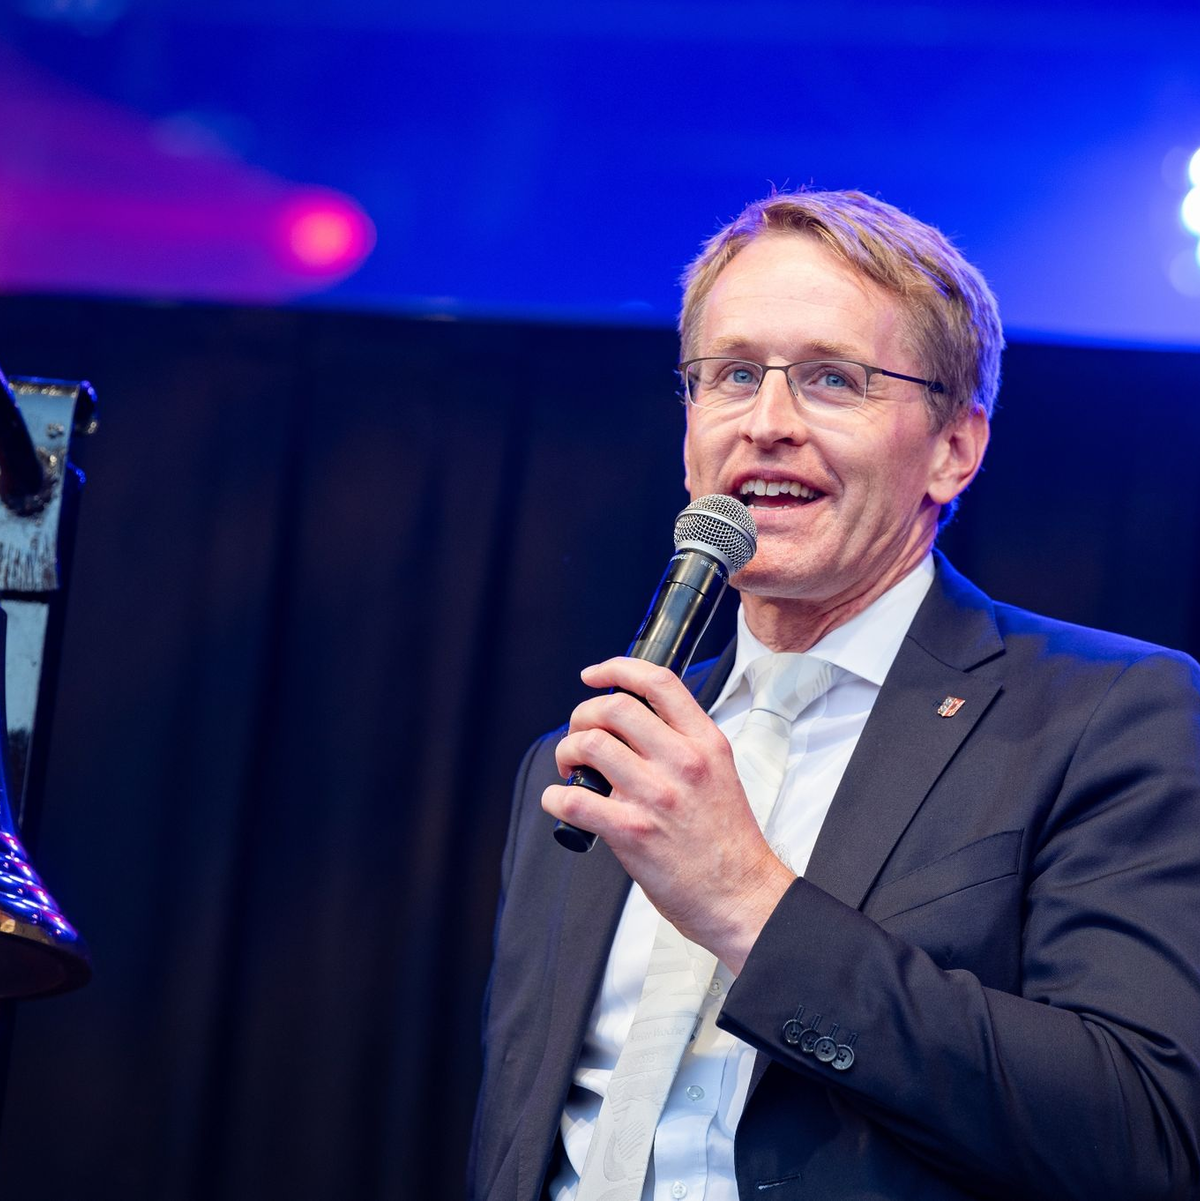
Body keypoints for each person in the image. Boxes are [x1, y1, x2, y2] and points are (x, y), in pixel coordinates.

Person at [469, 189, 1200, 1201]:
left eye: (830, 379)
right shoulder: (589, 763)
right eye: (730, 375)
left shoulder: (1110, 716)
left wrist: (749, 905)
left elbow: (1142, 1133)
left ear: (955, 448)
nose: (767, 423)